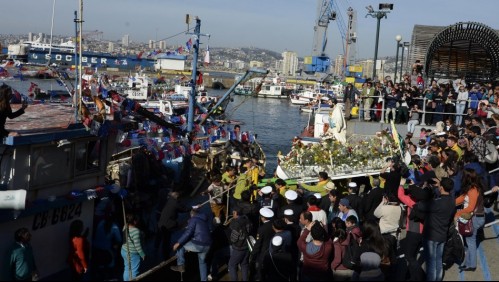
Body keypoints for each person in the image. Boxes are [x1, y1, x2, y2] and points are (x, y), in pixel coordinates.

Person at [423, 177, 455, 281]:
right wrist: (440, 185)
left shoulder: (436, 202)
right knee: (438, 260)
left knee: (431, 262)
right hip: (442, 234)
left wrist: (426, 189)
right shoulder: (452, 201)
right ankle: (439, 278)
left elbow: (420, 206)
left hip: (432, 236)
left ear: (441, 188)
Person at [455, 168, 485, 272]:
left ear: (466, 178)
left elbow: (471, 208)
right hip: (477, 217)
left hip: (476, 218)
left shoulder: (473, 190)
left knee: (470, 241)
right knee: (470, 241)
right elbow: (462, 198)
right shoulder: (472, 188)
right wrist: (450, 203)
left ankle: (471, 265)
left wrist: (457, 213)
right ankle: (469, 263)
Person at [171, 208, 213, 281]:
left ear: (192, 214)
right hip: (208, 246)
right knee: (202, 263)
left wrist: (178, 243)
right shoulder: (203, 220)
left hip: (200, 245)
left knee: (181, 245)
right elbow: (197, 233)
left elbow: (188, 232)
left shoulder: (193, 219)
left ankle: (180, 265)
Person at [122, 213, 146, 281]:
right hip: (132, 253)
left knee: (127, 268)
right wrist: (142, 254)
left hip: (124, 250)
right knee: (134, 270)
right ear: (135, 221)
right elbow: (137, 245)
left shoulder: (125, 226)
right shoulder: (136, 231)